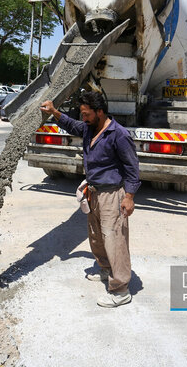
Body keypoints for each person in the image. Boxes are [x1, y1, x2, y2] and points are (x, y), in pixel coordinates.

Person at [40, 92, 140, 308]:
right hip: (93, 192)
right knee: (96, 236)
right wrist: (54, 112)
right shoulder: (88, 127)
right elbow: (72, 125)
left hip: (112, 195)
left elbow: (133, 168)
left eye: (86, 114)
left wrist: (129, 197)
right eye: (82, 114)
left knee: (115, 240)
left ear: (100, 112)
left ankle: (121, 290)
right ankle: (105, 269)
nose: (83, 118)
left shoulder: (118, 134)